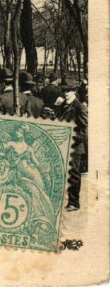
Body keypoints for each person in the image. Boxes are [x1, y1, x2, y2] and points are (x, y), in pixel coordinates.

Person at [60, 77, 88, 211]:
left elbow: (84, 131)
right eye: (64, 90)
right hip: (64, 145)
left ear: (75, 91)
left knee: (74, 174)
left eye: (69, 90)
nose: (66, 93)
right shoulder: (63, 105)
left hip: (75, 147)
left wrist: (71, 137)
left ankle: (74, 202)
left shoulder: (79, 107)